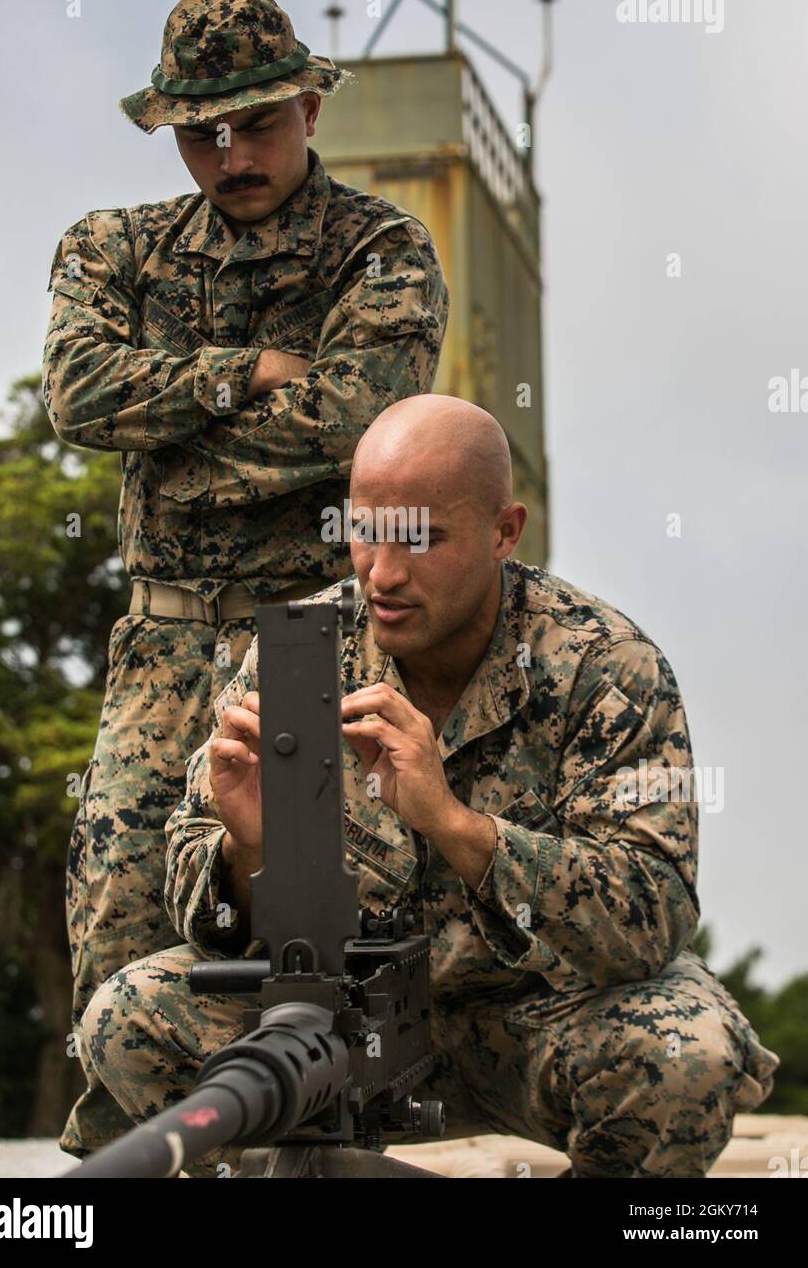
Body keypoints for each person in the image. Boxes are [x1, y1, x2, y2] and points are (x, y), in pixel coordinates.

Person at [79, 394, 779, 1178]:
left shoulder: (603, 666)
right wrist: (249, 850)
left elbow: (652, 916)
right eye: (363, 534)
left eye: (423, 541)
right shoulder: (300, 655)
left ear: (504, 532)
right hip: (346, 1030)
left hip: (538, 1020)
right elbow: (196, 898)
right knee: (128, 1018)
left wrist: (457, 826)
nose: (383, 574)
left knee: (689, 1057)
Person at [42, 0, 448, 1159]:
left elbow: (352, 422)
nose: (230, 154)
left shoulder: (378, 249)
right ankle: (116, 1162)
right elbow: (78, 392)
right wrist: (242, 373)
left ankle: (306, 1150)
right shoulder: (111, 246)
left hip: (312, 633)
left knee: (314, 912)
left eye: (257, 122)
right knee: (118, 902)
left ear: (311, 104)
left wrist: (171, 438)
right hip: (162, 639)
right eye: (200, 131)